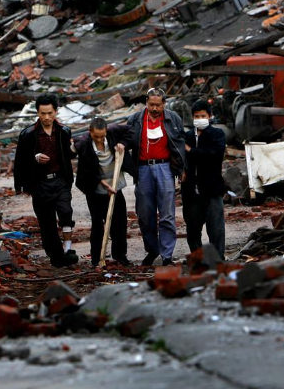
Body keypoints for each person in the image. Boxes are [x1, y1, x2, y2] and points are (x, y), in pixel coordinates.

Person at [122, 87, 186, 266]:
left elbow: (180, 143)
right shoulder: (136, 119)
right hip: (143, 169)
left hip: (165, 167)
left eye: (158, 105)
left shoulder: (173, 119)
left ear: (164, 104)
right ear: (146, 103)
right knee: (145, 214)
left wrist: (182, 168)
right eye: (151, 105)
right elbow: (126, 138)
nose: (155, 108)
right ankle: (152, 249)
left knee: (167, 214)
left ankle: (167, 256)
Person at [13, 94, 78, 268]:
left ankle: (68, 249)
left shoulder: (64, 131)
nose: (47, 117)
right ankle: (57, 257)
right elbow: (20, 160)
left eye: (50, 113)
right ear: (37, 113)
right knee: (46, 223)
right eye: (43, 113)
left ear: (56, 112)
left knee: (66, 211)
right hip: (40, 184)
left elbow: (69, 154)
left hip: (60, 180)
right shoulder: (28, 134)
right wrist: (33, 160)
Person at [75, 117, 130, 266]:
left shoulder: (113, 132)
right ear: (89, 132)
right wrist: (103, 183)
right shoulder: (84, 145)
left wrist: (123, 144)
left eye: (102, 136)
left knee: (119, 223)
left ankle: (120, 255)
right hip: (95, 188)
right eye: (96, 136)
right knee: (98, 224)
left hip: (115, 185)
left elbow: (131, 131)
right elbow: (87, 170)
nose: (99, 140)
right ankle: (97, 258)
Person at [183, 99, 227, 258]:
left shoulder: (217, 134)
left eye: (203, 115)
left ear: (210, 116)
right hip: (191, 191)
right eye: (196, 116)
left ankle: (218, 260)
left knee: (216, 229)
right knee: (192, 230)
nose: (200, 118)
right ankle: (199, 259)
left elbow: (213, 155)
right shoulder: (187, 136)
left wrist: (191, 151)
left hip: (212, 189)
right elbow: (181, 158)